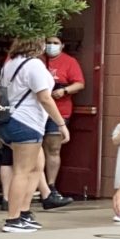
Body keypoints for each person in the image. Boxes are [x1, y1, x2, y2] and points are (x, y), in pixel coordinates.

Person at [0, 37, 69, 233]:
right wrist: (61, 124)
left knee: (37, 166)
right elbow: (44, 97)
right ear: (38, 45)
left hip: (10, 120)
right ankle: (13, 219)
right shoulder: (34, 64)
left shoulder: (10, 64)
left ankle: (24, 212)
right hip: (27, 122)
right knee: (22, 171)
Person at [41, 35, 84, 202]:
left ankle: (51, 185)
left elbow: (79, 83)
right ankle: (37, 186)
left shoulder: (69, 62)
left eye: (55, 43)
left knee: (53, 148)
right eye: (48, 42)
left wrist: (64, 90)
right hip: (38, 111)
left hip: (60, 110)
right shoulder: (38, 60)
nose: (51, 45)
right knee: (33, 148)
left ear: (62, 45)